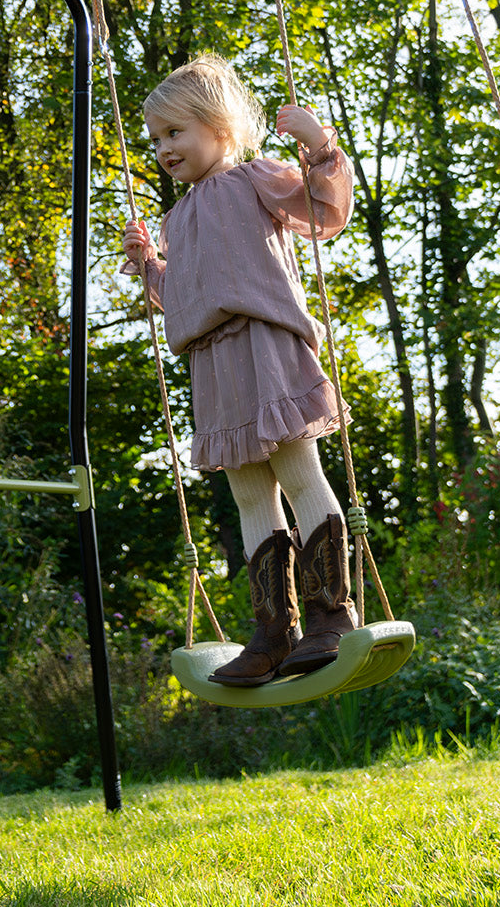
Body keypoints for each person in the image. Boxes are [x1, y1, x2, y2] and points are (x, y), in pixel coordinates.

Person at [121, 53, 358, 687]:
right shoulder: (177, 219)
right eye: (157, 140)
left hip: (263, 343)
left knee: (296, 467)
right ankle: (275, 631)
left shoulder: (255, 178)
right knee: (249, 490)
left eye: (176, 132)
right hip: (212, 360)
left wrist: (318, 146)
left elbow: (324, 211)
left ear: (218, 126)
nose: (164, 149)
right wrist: (150, 264)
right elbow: (189, 297)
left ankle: (331, 611)